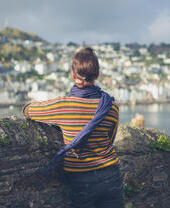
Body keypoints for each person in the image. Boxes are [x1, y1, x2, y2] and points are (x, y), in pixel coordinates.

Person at [23, 47, 124, 208]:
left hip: (80, 177)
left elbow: (28, 111)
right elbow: (110, 140)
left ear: (72, 74)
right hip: (110, 174)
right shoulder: (111, 106)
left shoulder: (63, 105)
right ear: (96, 74)